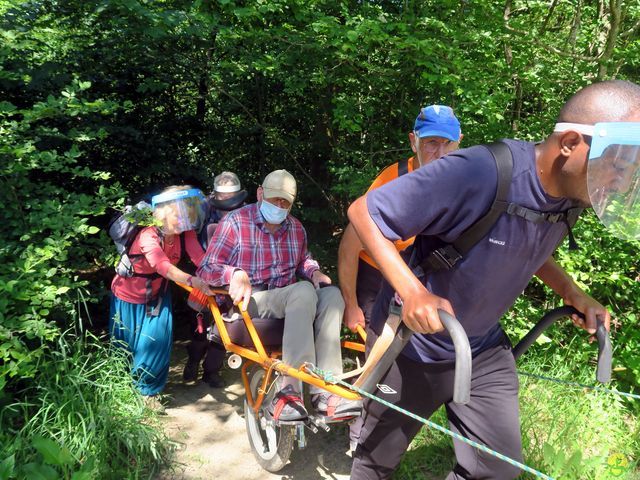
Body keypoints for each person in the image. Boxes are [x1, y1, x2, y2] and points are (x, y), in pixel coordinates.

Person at [347, 80, 640, 479]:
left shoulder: (571, 198)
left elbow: (527, 246)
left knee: (497, 470)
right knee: (374, 463)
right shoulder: (479, 171)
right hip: (413, 347)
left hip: (481, 349)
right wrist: (411, 290)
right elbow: (365, 212)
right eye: (619, 164)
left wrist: (573, 292)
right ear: (571, 142)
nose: (620, 182)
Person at [338, 104, 462, 452]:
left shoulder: (462, 179)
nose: (438, 153)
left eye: (447, 144)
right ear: (413, 141)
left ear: (459, 143)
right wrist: (350, 304)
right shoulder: (391, 181)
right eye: (429, 143)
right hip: (375, 272)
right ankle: (360, 434)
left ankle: (390, 427)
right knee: (378, 348)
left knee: (410, 349)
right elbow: (350, 245)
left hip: (417, 272)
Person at [197, 169, 361, 421]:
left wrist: (314, 272)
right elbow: (206, 269)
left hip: (288, 298)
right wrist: (234, 273)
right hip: (248, 303)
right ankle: (289, 391)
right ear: (260, 193)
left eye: (285, 202)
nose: (279, 206)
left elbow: (304, 261)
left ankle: (326, 391)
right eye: (274, 200)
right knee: (303, 291)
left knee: (332, 295)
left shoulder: (296, 228)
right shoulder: (235, 223)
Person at [109, 185, 213, 405]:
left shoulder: (186, 233)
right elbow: (162, 265)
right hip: (127, 296)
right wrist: (193, 280)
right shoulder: (147, 234)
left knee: (156, 342)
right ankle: (120, 393)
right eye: (180, 214)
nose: (185, 220)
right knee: (123, 346)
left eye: (189, 215)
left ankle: (148, 394)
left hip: (158, 295)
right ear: (165, 212)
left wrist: (221, 274)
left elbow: (201, 259)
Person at [183, 172, 248, 388]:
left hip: (233, 279)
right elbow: (192, 243)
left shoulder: (246, 213)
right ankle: (193, 362)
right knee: (199, 326)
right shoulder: (202, 212)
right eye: (222, 195)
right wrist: (207, 269)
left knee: (224, 328)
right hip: (204, 277)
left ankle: (211, 372)